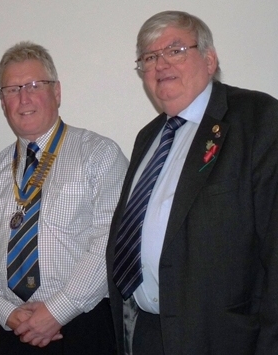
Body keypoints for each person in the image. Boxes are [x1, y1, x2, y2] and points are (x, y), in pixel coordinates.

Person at [106, 10, 278, 355]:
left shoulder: (256, 118)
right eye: (150, 57)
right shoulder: (149, 137)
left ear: (210, 59)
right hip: (145, 332)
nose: (161, 64)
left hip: (224, 338)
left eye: (175, 50)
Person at [0, 41, 128, 354]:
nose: (23, 98)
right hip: (15, 330)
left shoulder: (98, 154)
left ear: (56, 92)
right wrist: (6, 313)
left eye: (33, 85)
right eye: (12, 89)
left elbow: (109, 241)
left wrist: (57, 311)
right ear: (3, 102)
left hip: (83, 325)